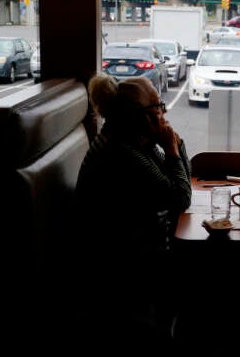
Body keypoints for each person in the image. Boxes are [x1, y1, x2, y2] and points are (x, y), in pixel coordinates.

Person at [74, 74, 192, 349]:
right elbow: (181, 196)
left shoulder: (138, 142)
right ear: (140, 116)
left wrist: (176, 145)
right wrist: (173, 149)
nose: (164, 112)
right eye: (158, 106)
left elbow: (182, 182)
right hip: (123, 275)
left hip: (139, 256)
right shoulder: (121, 153)